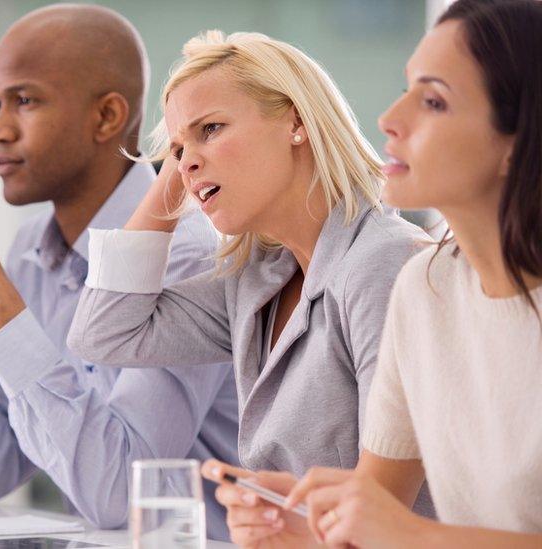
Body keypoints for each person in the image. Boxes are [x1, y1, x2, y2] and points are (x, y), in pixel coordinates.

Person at [0, 4, 240, 540]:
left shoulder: (185, 256)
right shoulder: (32, 250)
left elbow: (117, 494)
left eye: (25, 101)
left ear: (107, 118)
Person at [65, 28, 430, 545]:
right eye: (174, 149)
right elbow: (104, 334)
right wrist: (185, 163)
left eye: (211, 128)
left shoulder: (382, 263)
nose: (185, 162)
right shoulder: (256, 282)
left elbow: (378, 510)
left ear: (296, 122)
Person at [234, 1, 542, 547]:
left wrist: (409, 536)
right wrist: (305, 523)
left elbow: (401, 531)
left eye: (433, 100)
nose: (390, 118)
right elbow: (376, 510)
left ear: (519, 143)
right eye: (407, 88)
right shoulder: (426, 288)